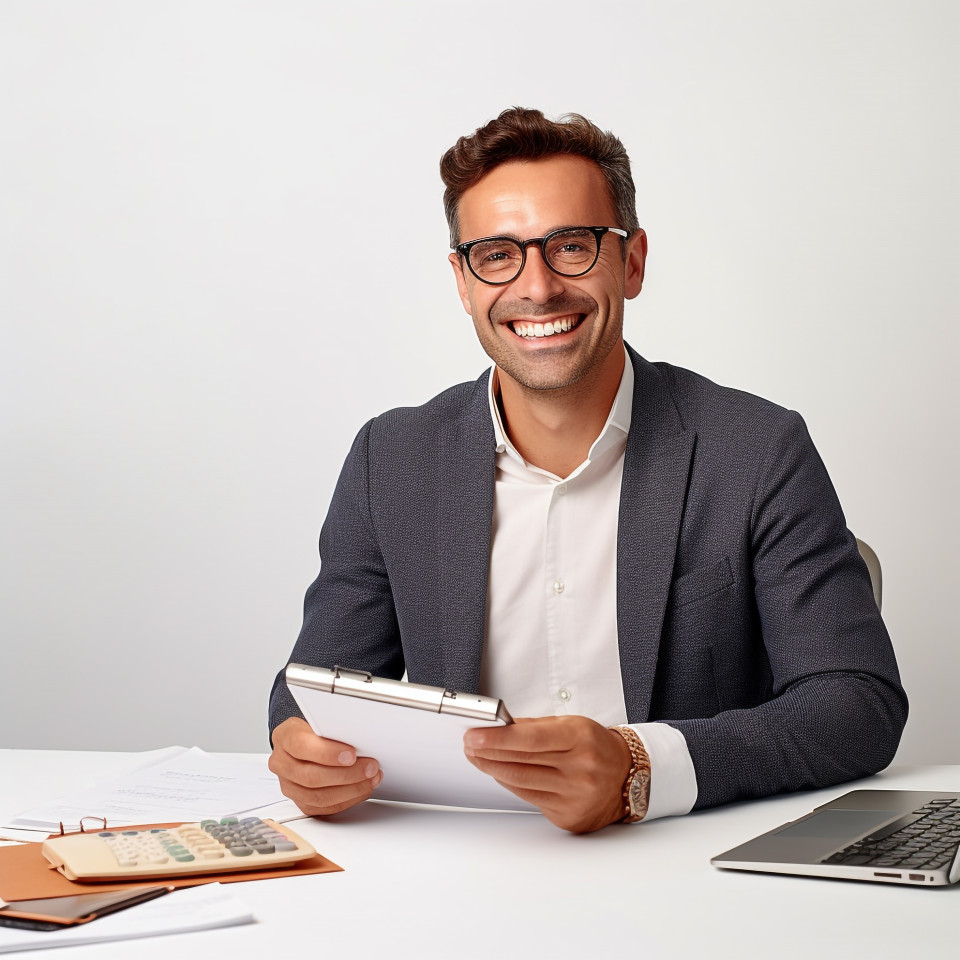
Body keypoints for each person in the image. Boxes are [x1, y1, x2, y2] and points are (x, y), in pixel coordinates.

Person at [267, 107, 907, 834]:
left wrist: (640, 767)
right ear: (463, 280)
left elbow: (856, 704)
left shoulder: (757, 449)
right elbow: (312, 688)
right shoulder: (393, 460)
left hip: (689, 870)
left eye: (571, 246)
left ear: (631, 262)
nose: (537, 288)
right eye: (497, 254)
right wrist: (300, 747)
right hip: (457, 878)